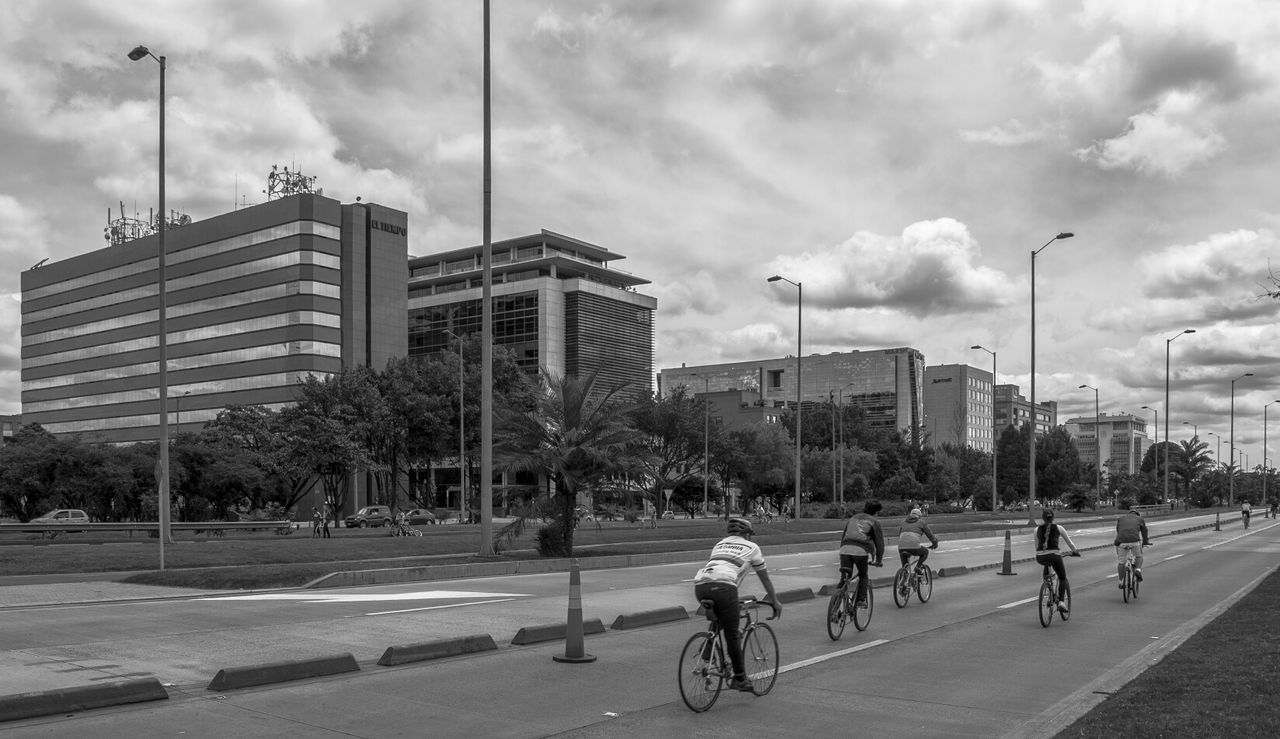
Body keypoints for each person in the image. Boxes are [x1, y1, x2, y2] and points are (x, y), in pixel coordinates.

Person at [692, 516, 781, 694]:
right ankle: (740, 679)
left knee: (721, 619)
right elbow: (764, 578)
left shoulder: (719, 544)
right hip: (724, 587)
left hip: (701, 586)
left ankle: (708, 649)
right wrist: (775, 601)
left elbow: (719, 569)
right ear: (747, 534)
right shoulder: (752, 547)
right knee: (732, 634)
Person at [838, 499, 885, 607]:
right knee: (863, 575)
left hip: (845, 549)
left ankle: (835, 606)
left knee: (844, 579)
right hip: (860, 551)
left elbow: (844, 536)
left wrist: (842, 550)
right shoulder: (874, 522)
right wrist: (878, 560)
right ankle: (860, 600)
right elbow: (879, 543)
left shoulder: (853, 518)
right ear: (876, 512)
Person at [1035, 509, 1080, 613]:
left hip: (1040, 557)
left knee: (1047, 569)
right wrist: (1075, 551)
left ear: (1043, 518)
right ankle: (1061, 602)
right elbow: (1070, 543)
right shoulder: (1059, 528)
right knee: (1062, 577)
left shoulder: (1036, 530)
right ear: (1053, 517)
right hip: (1054, 555)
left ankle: (1047, 588)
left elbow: (1037, 547)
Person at [1113, 509, 1151, 586]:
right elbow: (1144, 531)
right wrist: (1145, 542)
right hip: (1134, 541)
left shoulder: (1121, 519)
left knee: (1121, 562)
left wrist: (1118, 543)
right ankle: (1137, 570)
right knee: (1139, 556)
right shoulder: (1140, 519)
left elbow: (1118, 530)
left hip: (1121, 541)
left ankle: (1121, 581)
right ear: (1138, 515)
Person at [897, 508, 939, 573]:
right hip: (914, 547)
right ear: (919, 516)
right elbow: (930, 534)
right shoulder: (921, 522)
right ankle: (918, 567)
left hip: (901, 547)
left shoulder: (903, 522)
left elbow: (900, 535)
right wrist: (935, 543)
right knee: (925, 552)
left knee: (905, 566)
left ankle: (903, 578)